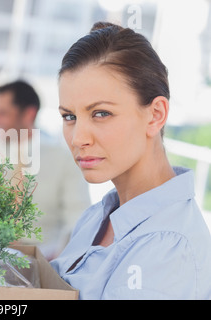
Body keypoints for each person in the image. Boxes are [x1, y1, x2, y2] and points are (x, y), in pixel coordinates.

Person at [50, 22, 211, 299]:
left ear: (155, 114)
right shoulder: (97, 216)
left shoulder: (168, 250)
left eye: (101, 113)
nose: (78, 138)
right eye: (69, 117)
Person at [0, 80, 91, 260]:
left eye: (2, 113)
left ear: (28, 114)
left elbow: (78, 218)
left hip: (45, 261)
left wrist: (59, 256)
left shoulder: (62, 159)